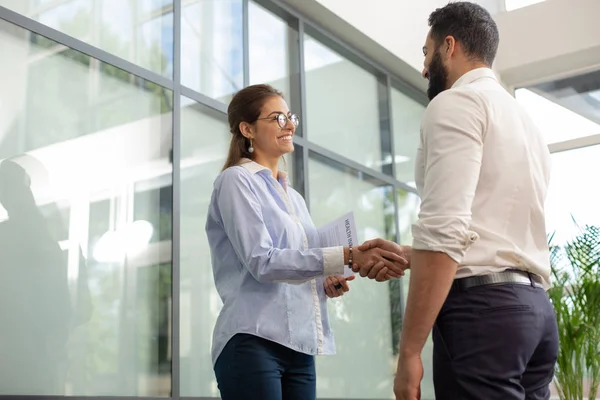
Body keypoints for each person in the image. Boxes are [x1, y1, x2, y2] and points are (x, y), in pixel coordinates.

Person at [358, 2, 559, 399]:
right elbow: (489, 233)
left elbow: (446, 229)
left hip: (483, 315)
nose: (424, 68)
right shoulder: (526, 123)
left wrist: (410, 353)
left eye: (425, 53)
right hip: (535, 312)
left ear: (448, 46)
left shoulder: (454, 104)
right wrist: (409, 253)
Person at [205, 83, 408, 400]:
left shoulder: (293, 198)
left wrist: (327, 280)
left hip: (300, 347)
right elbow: (263, 262)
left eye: (290, 116)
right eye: (278, 118)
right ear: (247, 129)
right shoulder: (236, 181)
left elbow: (302, 263)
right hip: (253, 339)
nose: (290, 125)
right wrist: (346, 254)